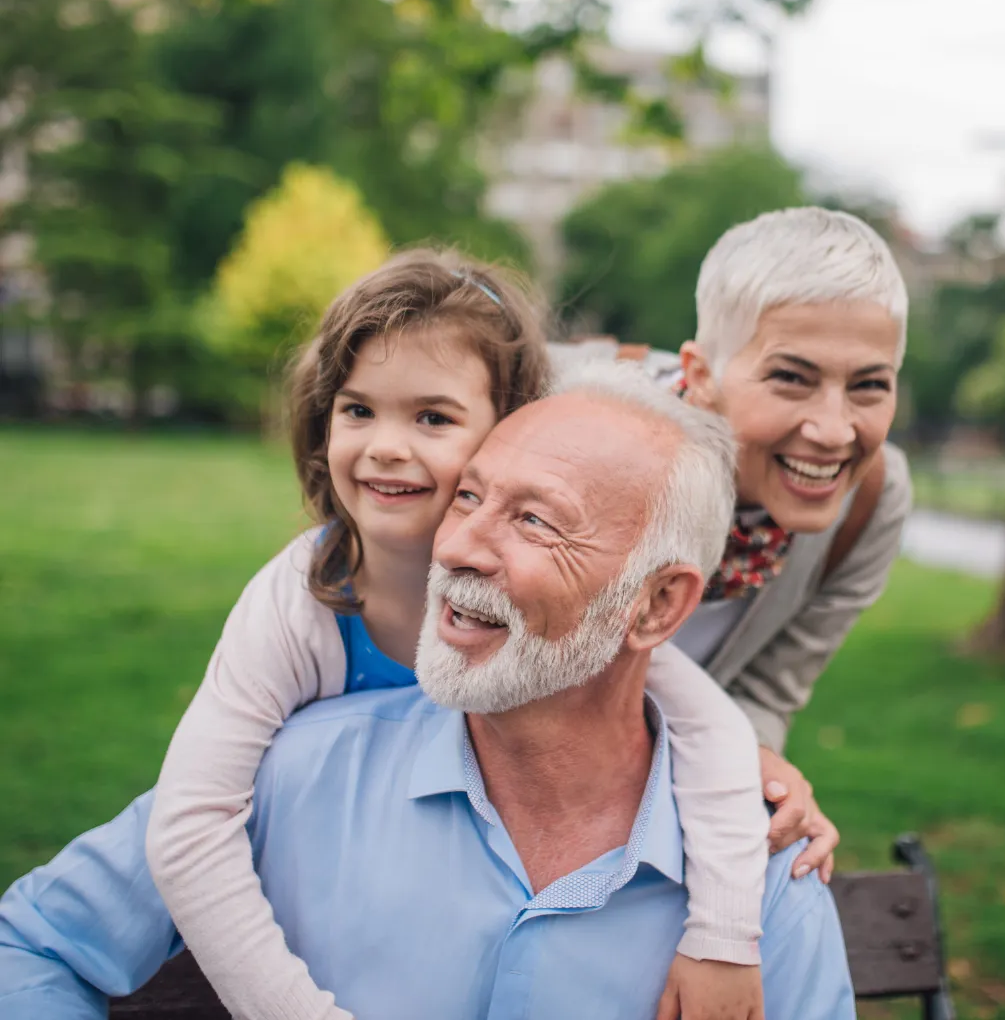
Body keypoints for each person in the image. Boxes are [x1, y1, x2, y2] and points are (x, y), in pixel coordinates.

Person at [0, 364, 855, 1020]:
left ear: (657, 605)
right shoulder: (295, 776)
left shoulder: (762, 878)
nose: (460, 547)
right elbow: (27, 946)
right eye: (469, 497)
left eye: (533, 519)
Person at [140, 250, 770, 1020]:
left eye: (432, 417)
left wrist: (724, 935)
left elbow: (711, 731)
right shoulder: (303, 597)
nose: (386, 446)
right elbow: (191, 821)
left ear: (511, 428)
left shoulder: (566, 609)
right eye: (357, 409)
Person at [554, 206, 912, 883]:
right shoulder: (568, 423)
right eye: (791, 378)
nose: (835, 431)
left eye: (869, 385)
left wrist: (757, 773)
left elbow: (767, 692)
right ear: (701, 373)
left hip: (649, 801)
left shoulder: (871, 503)